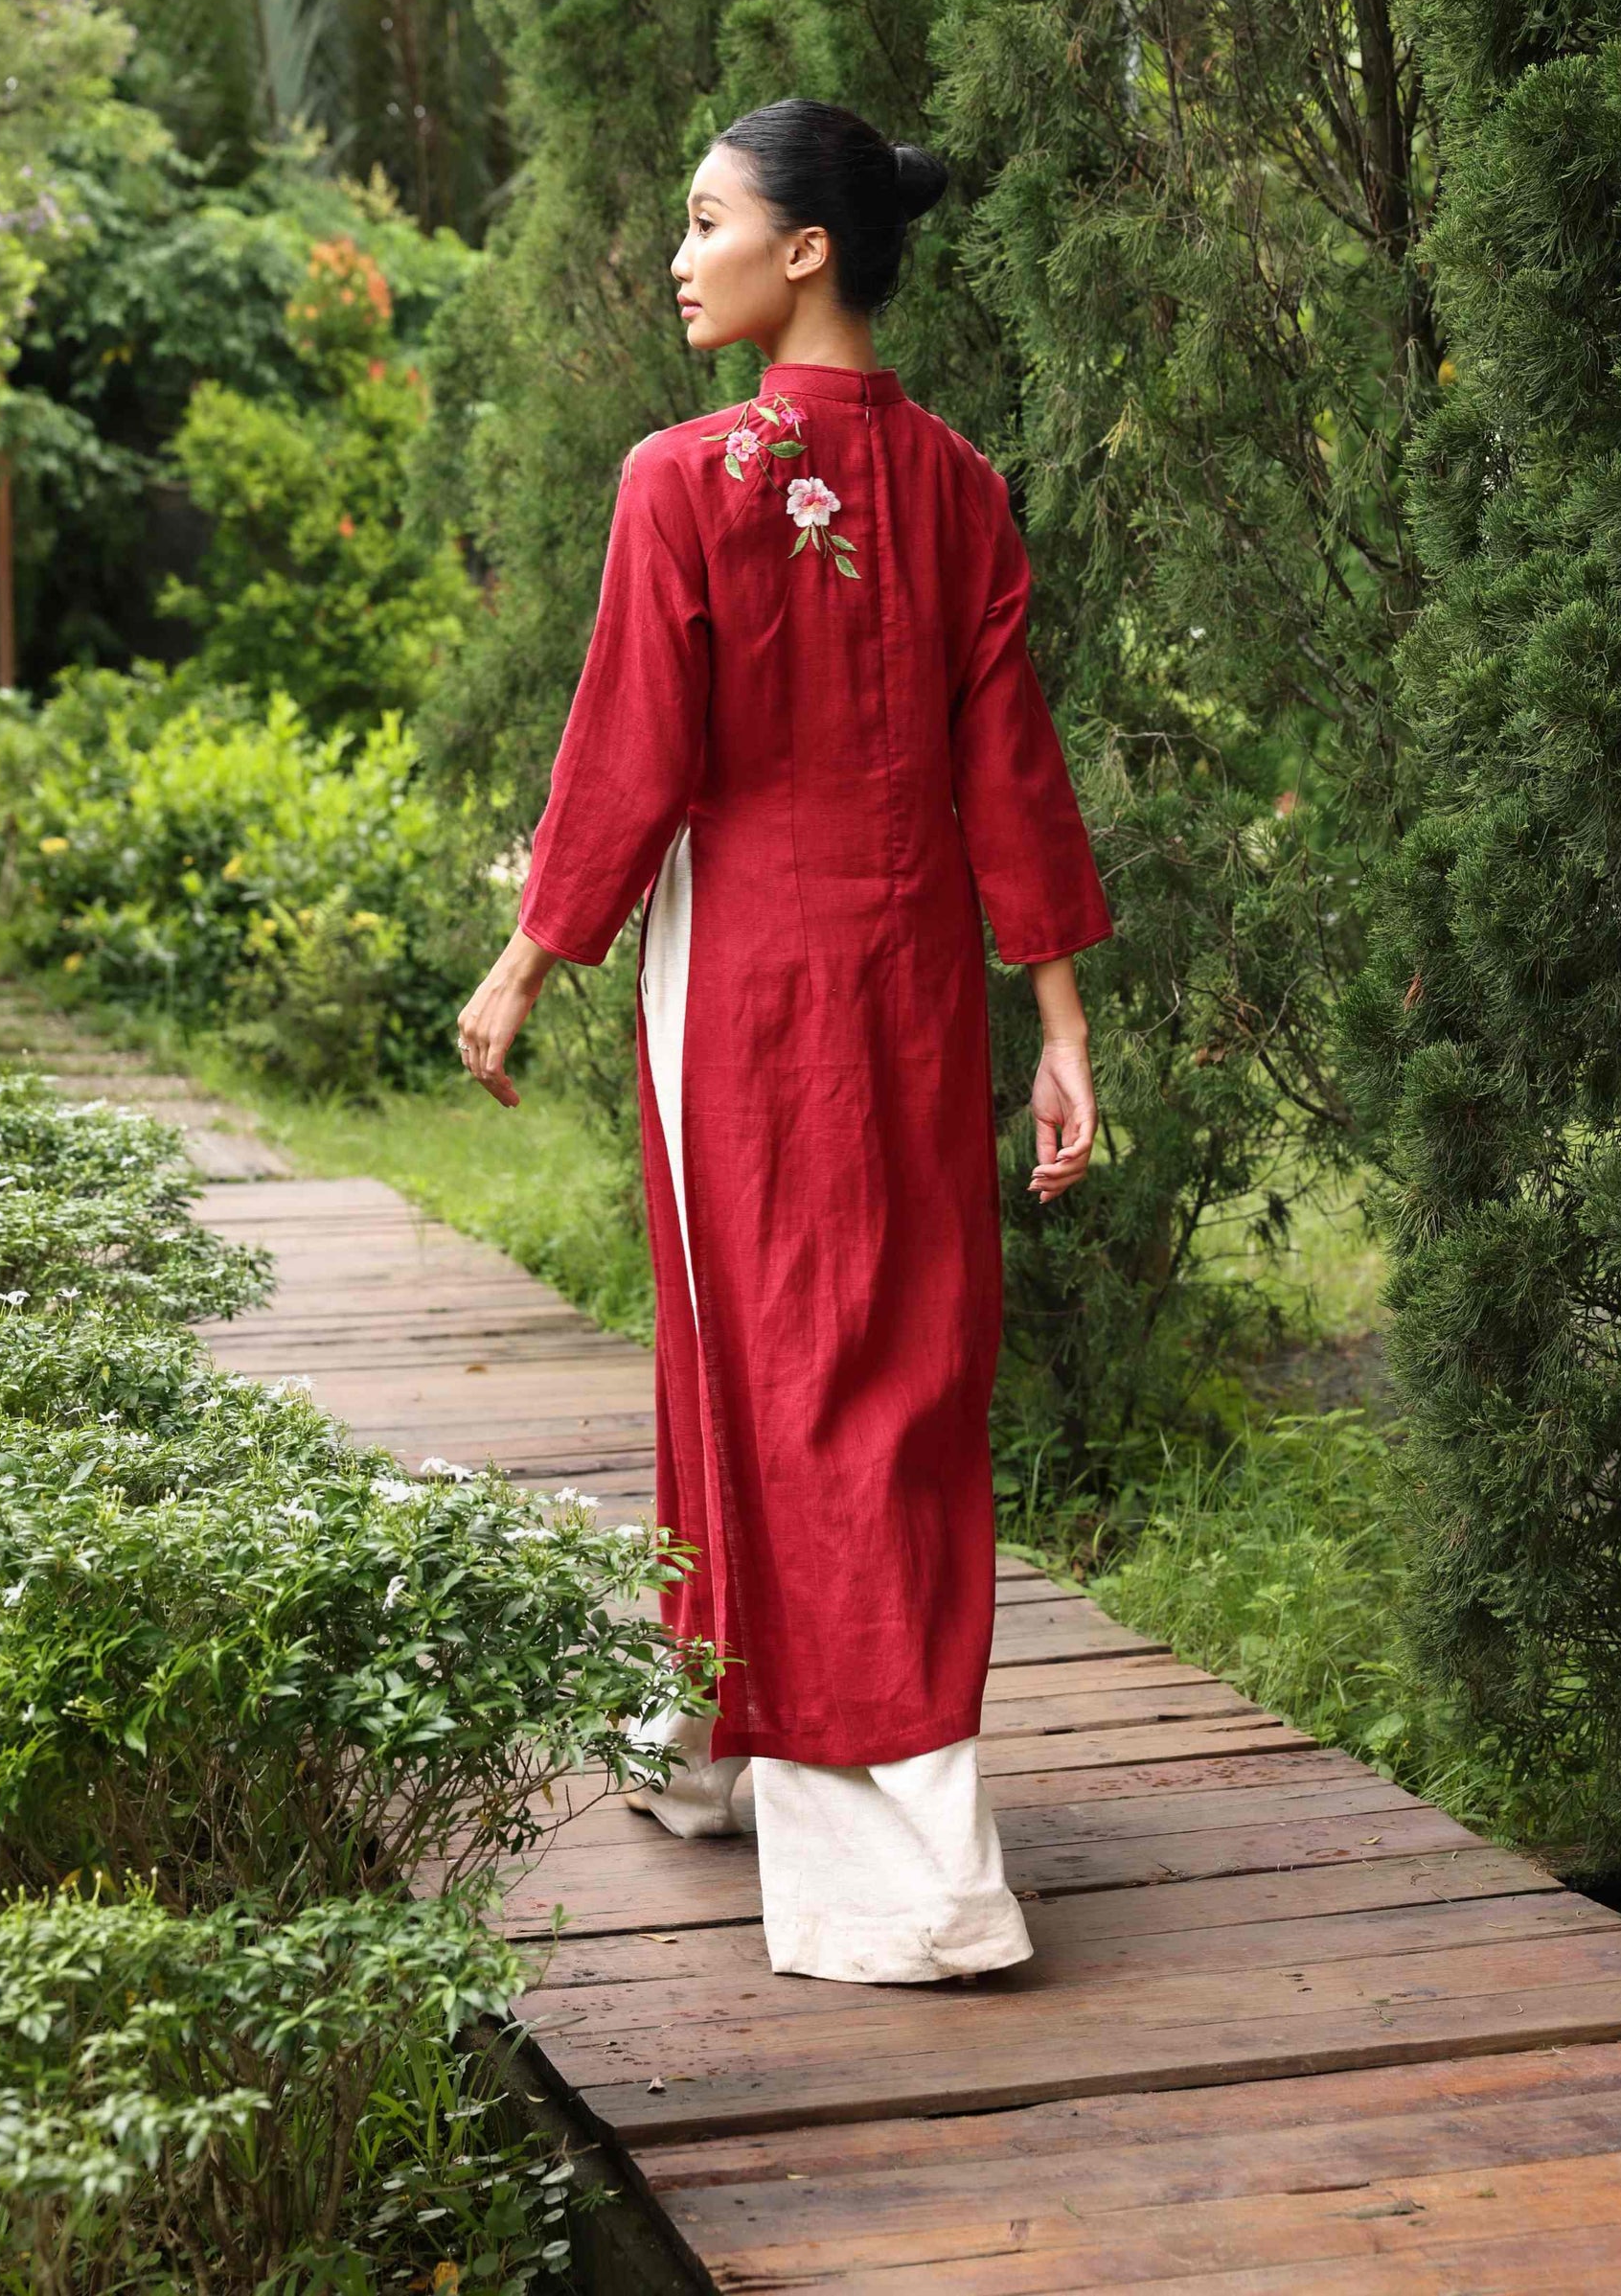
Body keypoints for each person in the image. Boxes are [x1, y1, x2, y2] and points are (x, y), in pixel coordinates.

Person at [455, 97, 1112, 1985]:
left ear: (803, 249)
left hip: (740, 991)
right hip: (909, 992)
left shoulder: (688, 478)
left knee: (791, 1363)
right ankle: (719, 1735)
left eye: (707, 220)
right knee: (883, 1362)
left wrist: (527, 960)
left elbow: (630, 760)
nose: (679, 255)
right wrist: (1055, 1020)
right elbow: (1015, 780)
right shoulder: (962, 483)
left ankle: (907, 1874)